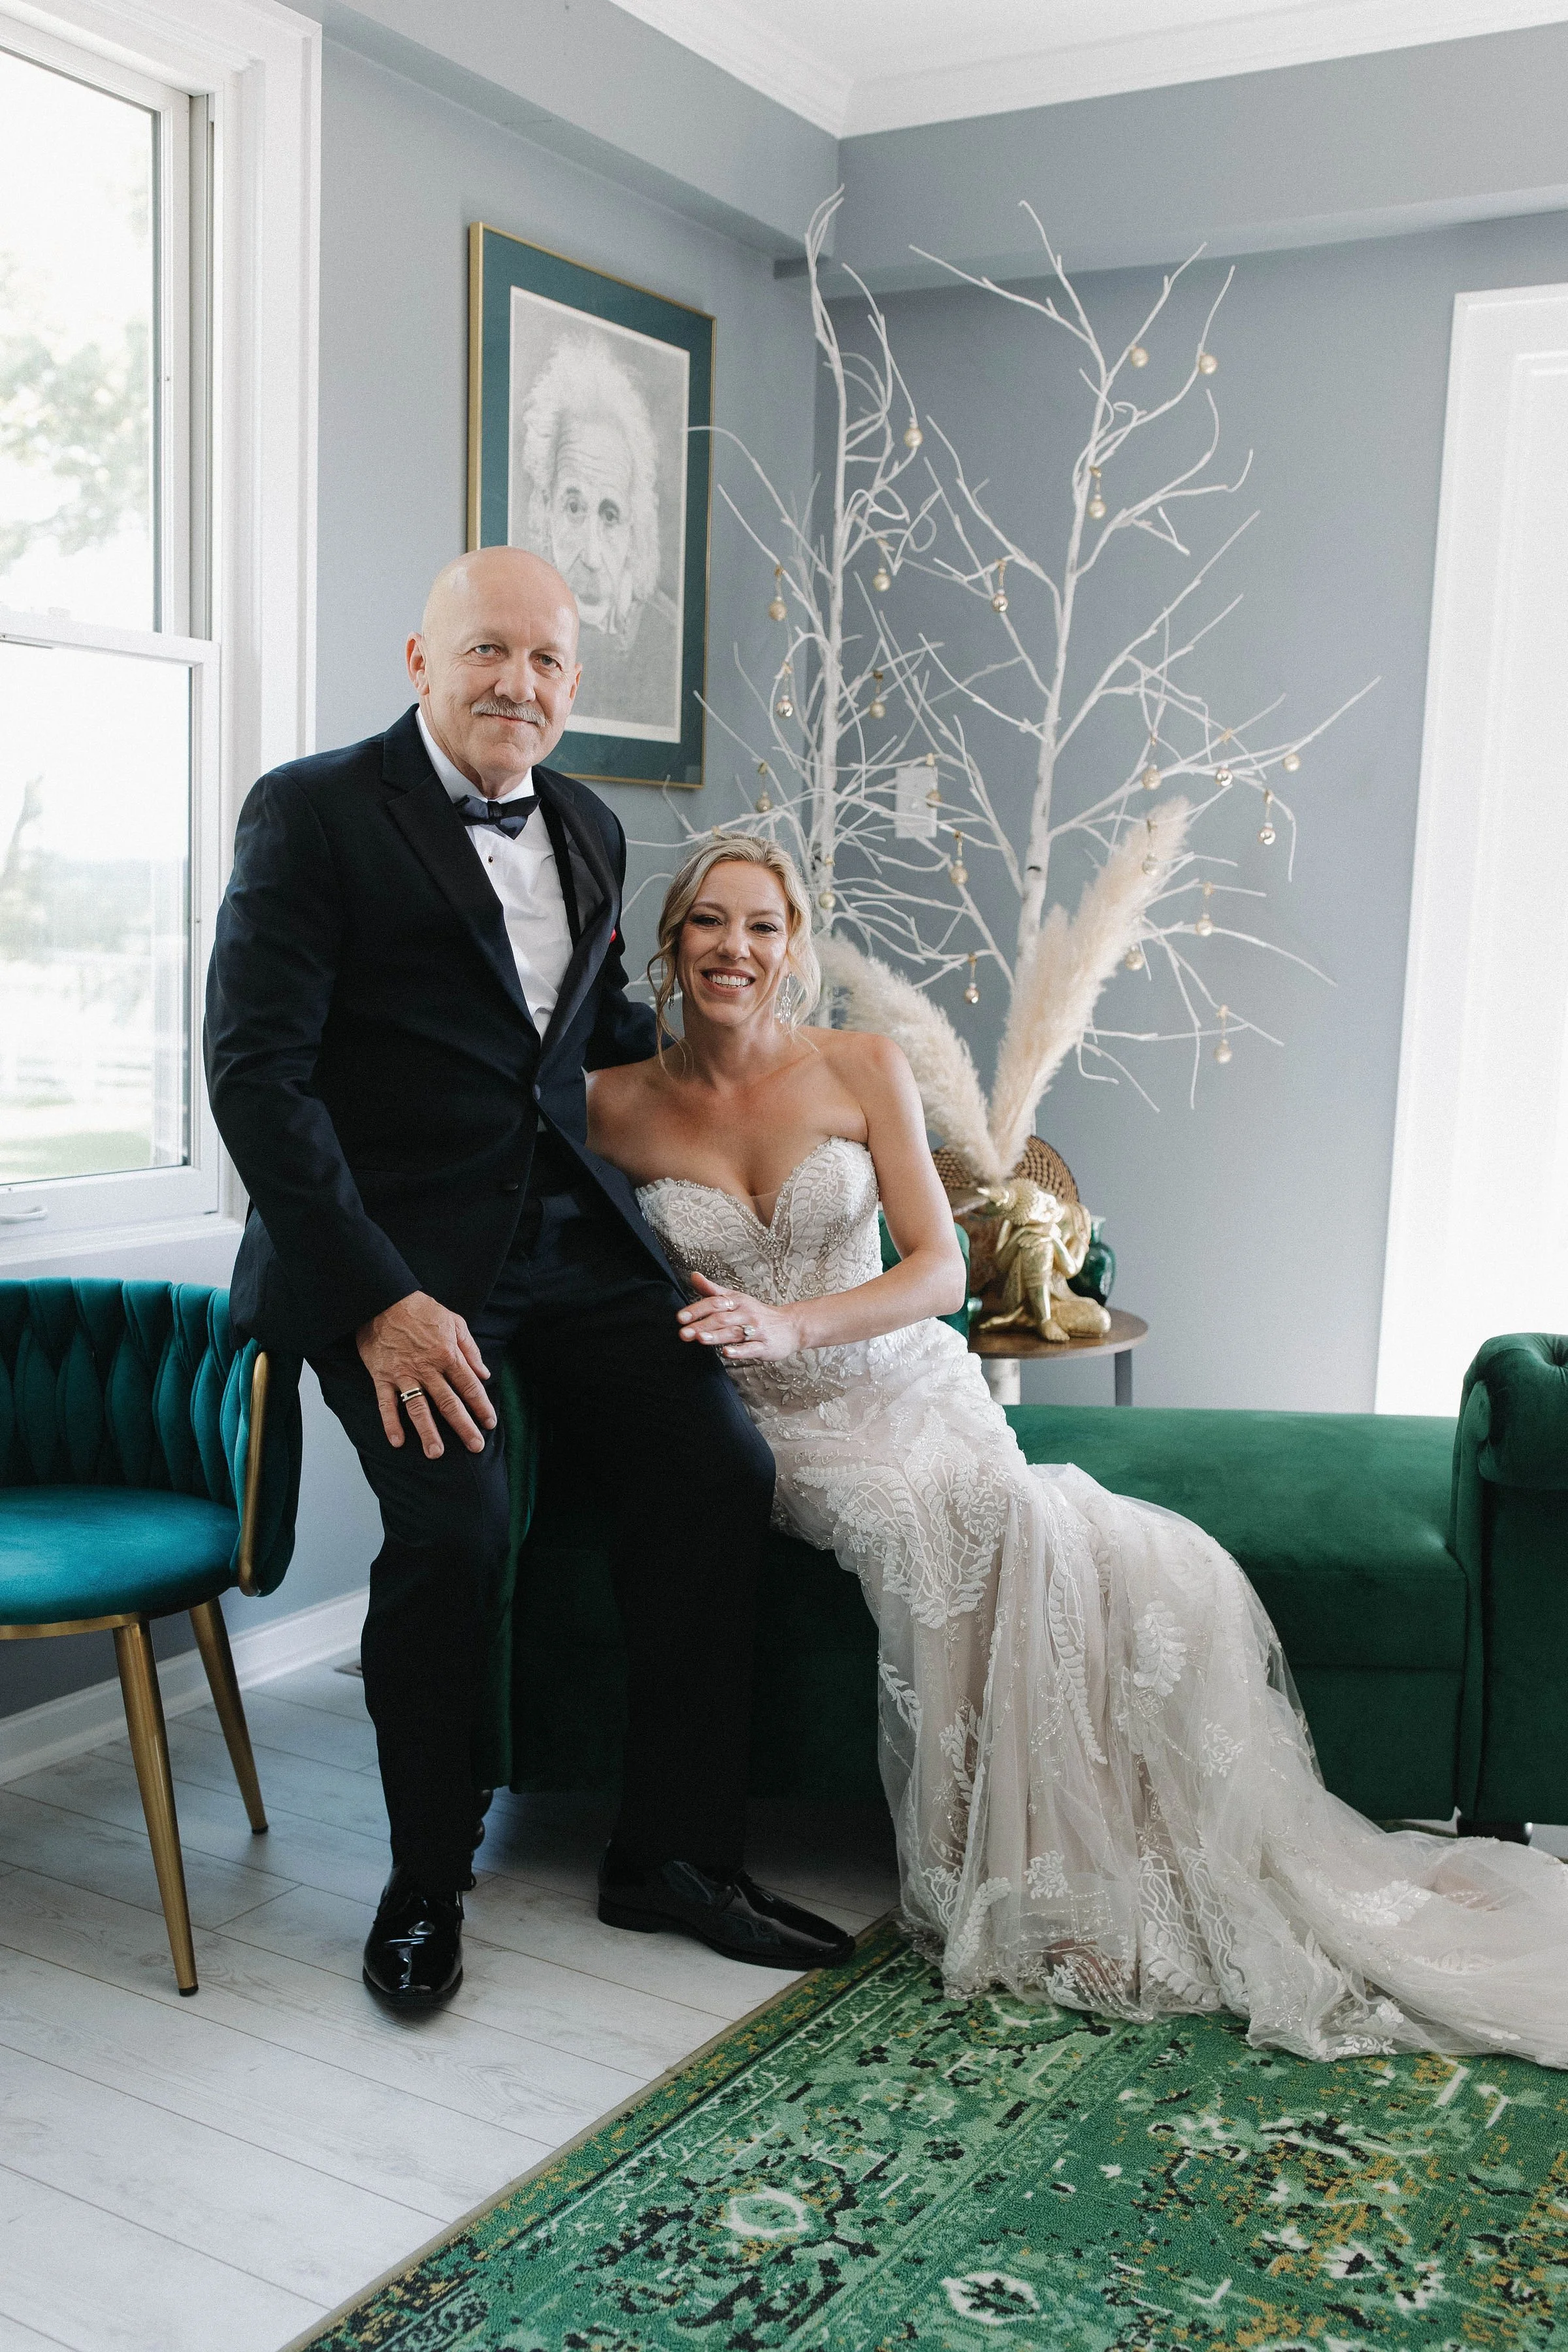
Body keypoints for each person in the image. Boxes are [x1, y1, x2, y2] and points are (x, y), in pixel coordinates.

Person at [587, 832, 1568, 2066]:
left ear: (793, 950)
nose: (736, 949)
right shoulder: (611, 1108)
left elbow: (940, 1271)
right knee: (916, 1525)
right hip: (776, 1416)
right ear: (672, 948)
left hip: (899, 1372)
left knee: (1008, 1520)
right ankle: (999, 1874)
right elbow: (580, 1271)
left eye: (763, 927)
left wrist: (795, 1316)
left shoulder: (861, 1066)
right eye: (711, 926)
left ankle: (1056, 1877)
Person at [203, 551, 851, 2011]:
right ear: (421, 657)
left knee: (715, 1465)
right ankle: (426, 1877)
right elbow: (258, 1078)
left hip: (574, 1245)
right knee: (462, 1529)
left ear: (574, 684)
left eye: (550, 662)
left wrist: (789, 1087)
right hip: (398, 1264)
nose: (522, 684)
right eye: (490, 651)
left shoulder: (591, 824)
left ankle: (673, 1854)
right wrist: (376, 1300)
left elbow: (590, 1038)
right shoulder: (310, 813)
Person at [515, 334, 680, 734]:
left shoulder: (666, 640)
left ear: (633, 527)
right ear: (544, 507)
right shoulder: (510, 634)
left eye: (610, 515)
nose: (591, 554)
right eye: (574, 508)